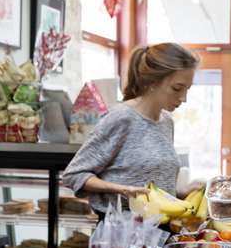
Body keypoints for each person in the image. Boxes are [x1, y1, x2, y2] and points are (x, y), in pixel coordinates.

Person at [63, 43, 203, 221]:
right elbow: (74, 175)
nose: (183, 98)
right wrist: (123, 189)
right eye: (177, 88)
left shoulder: (166, 122)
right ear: (153, 82)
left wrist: (182, 192)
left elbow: (153, 187)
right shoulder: (121, 118)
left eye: (187, 89)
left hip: (159, 233)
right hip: (122, 236)